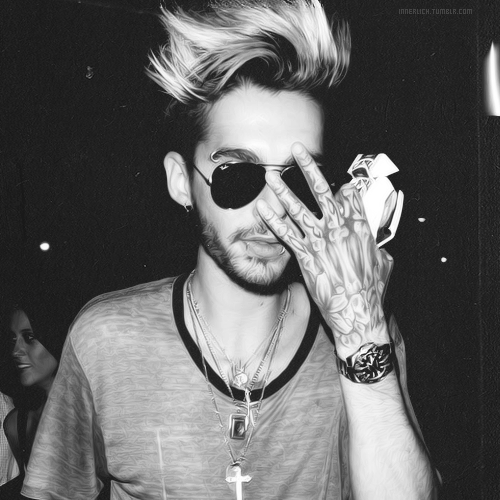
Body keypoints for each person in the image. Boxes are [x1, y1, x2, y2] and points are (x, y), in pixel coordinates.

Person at [23, 1, 439, 498]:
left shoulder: (361, 329)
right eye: (237, 175)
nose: (273, 209)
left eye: (298, 180)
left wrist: (362, 335)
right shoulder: (105, 341)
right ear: (182, 181)